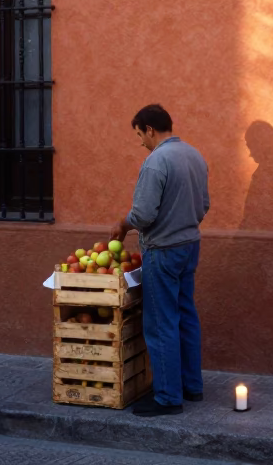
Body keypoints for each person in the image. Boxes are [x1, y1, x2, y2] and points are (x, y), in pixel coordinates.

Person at [111, 104, 210, 416]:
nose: (141, 142)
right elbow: (204, 205)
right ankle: (192, 387)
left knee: (160, 321)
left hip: (163, 250)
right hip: (189, 246)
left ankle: (168, 397)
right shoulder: (195, 155)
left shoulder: (156, 162)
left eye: (140, 135)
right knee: (185, 315)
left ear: (150, 129)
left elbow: (142, 213)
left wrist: (122, 225)